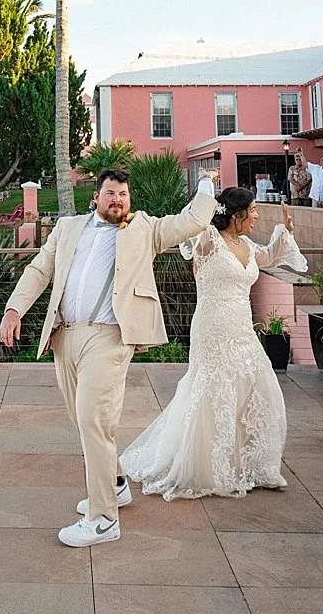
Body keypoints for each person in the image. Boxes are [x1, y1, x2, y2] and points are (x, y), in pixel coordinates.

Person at [0, 167, 219, 547]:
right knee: (84, 421)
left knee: (92, 420)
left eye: (124, 194)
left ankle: (103, 519)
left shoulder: (144, 229)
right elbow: (39, 269)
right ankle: (115, 484)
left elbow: (195, 219)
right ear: (95, 198)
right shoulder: (67, 229)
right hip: (65, 336)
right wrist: (14, 309)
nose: (118, 199)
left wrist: (206, 182)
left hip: (110, 337)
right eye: (111, 193)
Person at [120, 187, 308, 502]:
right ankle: (211, 468)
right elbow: (192, 221)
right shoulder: (208, 240)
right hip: (212, 329)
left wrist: (286, 231)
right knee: (213, 392)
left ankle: (254, 466)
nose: (257, 216)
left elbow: (272, 255)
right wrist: (208, 186)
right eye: (253, 210)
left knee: (257, 389)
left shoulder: (247, 245)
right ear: (236, 215)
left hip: (242, 329)